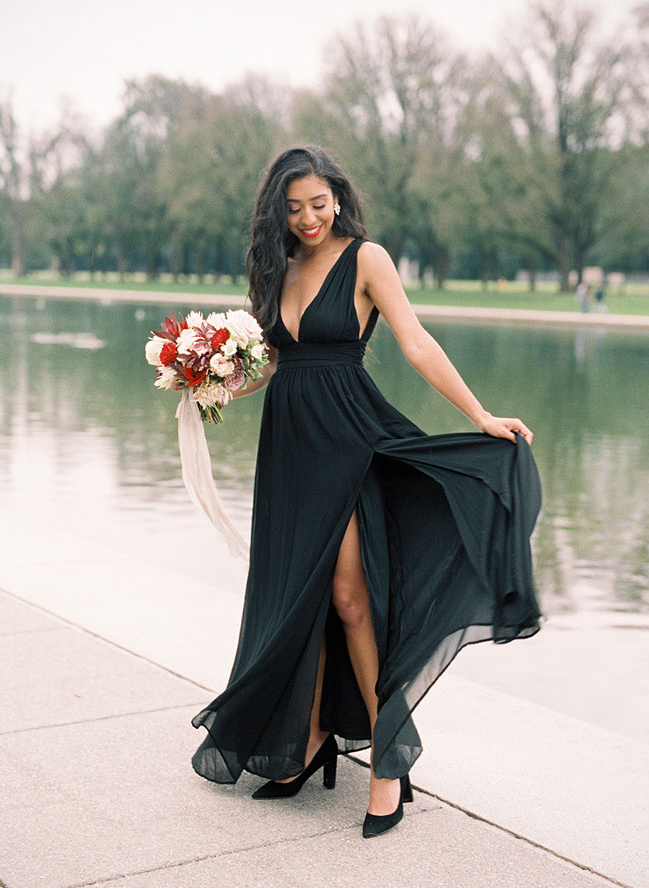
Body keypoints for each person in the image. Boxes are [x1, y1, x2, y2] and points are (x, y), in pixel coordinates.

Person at [191, 145, 542, 839]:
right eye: (294, 209)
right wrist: (211, 385)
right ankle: (313, 735)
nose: (309, 219)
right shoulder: (279, 268)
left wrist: (479, 416)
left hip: (347, 438)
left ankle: (388, 759)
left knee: (351, 598)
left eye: (319, 204)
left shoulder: (367, 259)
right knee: (301, 595)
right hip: (290, 449)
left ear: (339, 198)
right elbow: (273, 364)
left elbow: (414, 343)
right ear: (277, 214)